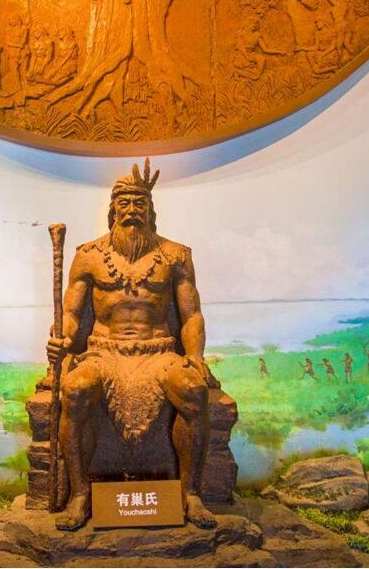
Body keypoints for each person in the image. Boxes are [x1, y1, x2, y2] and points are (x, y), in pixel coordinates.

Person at [45, 158, 218, 531]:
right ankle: (80, 495)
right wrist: (63, 338)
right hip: (103, 351)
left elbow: (191, 315)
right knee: (75, 390)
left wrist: (195, 356)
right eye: (124, 203)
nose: (132, 211)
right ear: (112, 210)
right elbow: (71, 313)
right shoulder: (89, 255)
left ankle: (190, 493)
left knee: (193, 391)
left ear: (151, 211)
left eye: (140, 203)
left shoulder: (176, 255)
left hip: (158, 351)